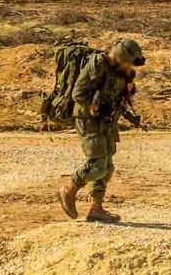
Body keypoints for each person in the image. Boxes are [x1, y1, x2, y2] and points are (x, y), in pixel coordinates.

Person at [56, 37, 144, 222]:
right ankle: (69, 189)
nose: (130, 66)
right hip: (88, 119)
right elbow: (78, 93)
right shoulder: (96, 65)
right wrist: (95, 106)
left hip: (106, 120)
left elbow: (122, 93)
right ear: (121, 56)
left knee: (108, 166)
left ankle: (96, 208)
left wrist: (128, 88)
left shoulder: (120, 71)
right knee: (97, 165)